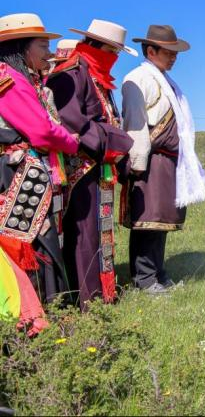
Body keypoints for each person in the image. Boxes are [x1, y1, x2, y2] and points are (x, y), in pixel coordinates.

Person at [47, 19, 135, 308]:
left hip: (99, 166)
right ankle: (89, 300)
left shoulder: (97, 76)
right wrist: (113, 139)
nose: (115, 58)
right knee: (84, 235)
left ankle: (101, 294)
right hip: (79, 169)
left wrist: (110, 137)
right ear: (97, 47)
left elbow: (103, 119)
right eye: (112, 51)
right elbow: (72, 120)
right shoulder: (70, 75)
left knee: (98, 233)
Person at [0, 13, 80, 330]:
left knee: (35, 242)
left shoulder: (18, 78)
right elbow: (41, 131)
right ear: (21, 48)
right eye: (42, 45)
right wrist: (71, 142)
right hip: (18, 176)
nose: (48, 52)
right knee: (29, 244)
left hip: (21, 171)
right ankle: (33, 321)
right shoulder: (9, 81)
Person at [121, 25, 205, 294]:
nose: (174, 57)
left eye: (175, 52)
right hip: (150, 161)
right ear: (151, 51)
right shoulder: (137, 79)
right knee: (149, 221)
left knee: (162, 223)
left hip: (169, 162)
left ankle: (158, 273)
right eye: (168, 52)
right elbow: (135, 124)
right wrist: (137, 164)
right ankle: (145, 279)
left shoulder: (166, 81)